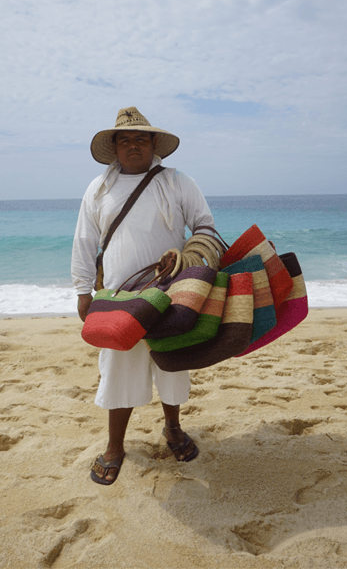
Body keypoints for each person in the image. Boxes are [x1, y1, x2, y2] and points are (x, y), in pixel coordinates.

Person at [71, 107, 216, 485]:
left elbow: (205, 227)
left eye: (141, 139)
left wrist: (186, 257)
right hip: (119, 296)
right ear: (115, 148)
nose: (133, 145)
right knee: (118, 368)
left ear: (154, 145)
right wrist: (82, 290)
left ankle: (172, 429)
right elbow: (84, 242)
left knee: (171, 363)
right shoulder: (98, 189)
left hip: (174, 292)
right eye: (125, 140)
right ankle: (115, 447)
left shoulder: (179, 182)